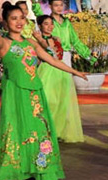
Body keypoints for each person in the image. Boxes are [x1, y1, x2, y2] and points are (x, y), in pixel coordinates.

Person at [0, 0, 86, 180]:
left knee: (38, 133)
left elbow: (51, 60)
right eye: (14, 18)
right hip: (16, 95)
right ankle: (18, 176)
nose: (19, 22)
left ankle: (33, 169)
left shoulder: (30, 43)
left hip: (35, 95)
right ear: (6, 22)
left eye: (21, 18)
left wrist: (75, 72)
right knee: (18, 132)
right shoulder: (4, 43)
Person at [33, 15, 84, 143]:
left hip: (61, 71)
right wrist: (40, 39)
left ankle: (57, 131)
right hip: (47, 71)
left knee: (62, 102)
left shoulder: (56, 38)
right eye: (46, 24)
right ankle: (45, 131)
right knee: (48, 101)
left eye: (51, 24)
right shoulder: (37, 40)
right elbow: (48, 53)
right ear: (40, 26)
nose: (50, 27)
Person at [48, 0, 94, 66]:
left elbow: (75, 40)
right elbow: (38, 12)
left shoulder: (66, 22)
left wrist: (88, 56)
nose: (59, 8)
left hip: (66, 55)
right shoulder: (47, 22)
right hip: (52, 55)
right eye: (56, 5)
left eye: (61, 5)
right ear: (50, 6)